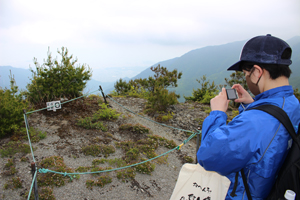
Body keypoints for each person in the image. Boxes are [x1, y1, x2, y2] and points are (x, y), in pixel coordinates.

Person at [197, 34, 300, 199]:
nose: (246, 78)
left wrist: (217, 113)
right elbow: (268, 134)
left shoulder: (254, 122)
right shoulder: (291, 103)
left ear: (257, 72)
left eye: (246, 73)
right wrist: (252, 104)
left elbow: (207, 156)